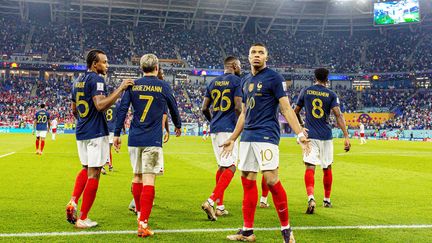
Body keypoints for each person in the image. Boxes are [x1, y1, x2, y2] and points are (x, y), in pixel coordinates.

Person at [220, 43, 310, 243]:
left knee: (270, 180)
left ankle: (286, 230)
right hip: (248, 137)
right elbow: (244, 112)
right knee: (247, 180)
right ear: (248, 57)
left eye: (261, 53)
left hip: (267, 136)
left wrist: (299, 134)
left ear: (266, 57)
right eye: (253, 52)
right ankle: (247, 231)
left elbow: (286, 109)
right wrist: (233, 138)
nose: (257, 55)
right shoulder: (245, 81)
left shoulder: (274, 78)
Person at [114, 54, 182, 238]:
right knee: (149, 180)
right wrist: (178, 125)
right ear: (157, 67)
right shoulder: (163, 85)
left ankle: (139, 214)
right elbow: (173, 107)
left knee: (136, 177)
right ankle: (143, 223)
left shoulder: (132, 85)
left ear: (141, 68)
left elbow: (122, 109)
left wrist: (117, 133)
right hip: (152, 139)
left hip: (134, 138)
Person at [65, 49, 134, 229]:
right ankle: (83, 218)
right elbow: (100, 105)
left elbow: (74, 109)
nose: (107, 65)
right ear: (95, 64)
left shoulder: (77, 81)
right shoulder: (97, 79)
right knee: (94, 173)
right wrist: (120, 89)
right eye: (104, 62)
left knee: (85, 168)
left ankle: (73, 201)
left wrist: (84, 121)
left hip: (81, 132)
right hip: (96, 132)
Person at [294, 68, 351, 214]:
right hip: (326, 135)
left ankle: (311, 197)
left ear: (315, 77)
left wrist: (301, 127)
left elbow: (295, 112)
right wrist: (346, 136)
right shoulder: (331, 94)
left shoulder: (306, 91)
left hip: (310, 135)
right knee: (327, 167)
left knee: (310, 167)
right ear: (327, 79)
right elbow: (338, 115)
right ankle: (326, 199)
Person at [201, 56, 242, 220]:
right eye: (239, 65)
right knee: (232, 166)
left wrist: (214, 121)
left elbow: (204, 108)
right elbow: (239, 107)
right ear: (233, 65)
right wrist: (240, 127)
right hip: (229, 129)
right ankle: (211, 201)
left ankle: (220, 206)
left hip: (215, 129)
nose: (240, 68)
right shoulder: (237, 81)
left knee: (222, 166)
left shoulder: (212, 82)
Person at [127, 67, 170, 214]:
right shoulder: (161, 89)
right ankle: (141, 207)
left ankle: (138, 203)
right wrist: (166, 130)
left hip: (137, 134)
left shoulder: (139, 87)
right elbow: (164, 114)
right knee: (148, 174)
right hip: (152, 136)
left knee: (138, 173)